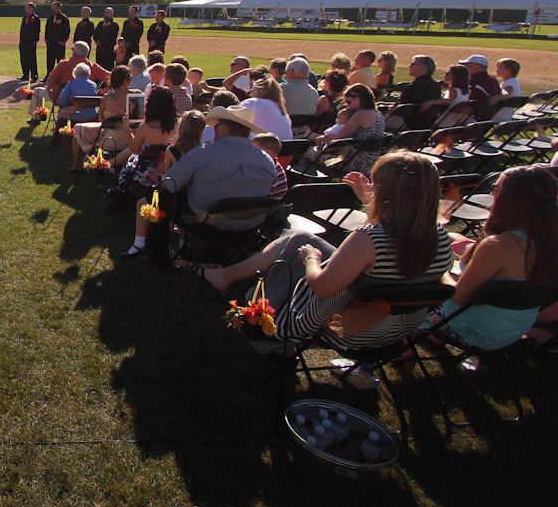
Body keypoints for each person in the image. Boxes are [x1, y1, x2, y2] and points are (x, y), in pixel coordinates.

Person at [197, 151, 453, 354]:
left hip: (355, 328)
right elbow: (386, 260)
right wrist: (367, 203)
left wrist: (312, 258)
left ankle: (263, 315)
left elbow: (322, 286)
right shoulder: (439, 234)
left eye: (377, 186)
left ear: (388, 194)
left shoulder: (369, 238)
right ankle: (226, 276)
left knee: (302, 249)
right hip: (401, 327)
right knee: (300, 237)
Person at [421, 165, 558, 351]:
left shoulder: (501, 245)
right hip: (514, 329)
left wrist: (442, 268)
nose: (492, 192)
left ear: (512, 198)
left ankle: (423, 338)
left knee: (415, 284)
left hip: (478, 331)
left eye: (496, 187)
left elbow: (457, 298)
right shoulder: (547, 238)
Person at [160, 105, 280, 229]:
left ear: (224, 127)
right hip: (251, 228)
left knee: (156, 195)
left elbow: (169, 184)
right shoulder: (267, 161)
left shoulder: (201, 154)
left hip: (209, 227)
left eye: (215, 127)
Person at [71, 66, 130, 171]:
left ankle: (77, 165)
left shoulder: (108, 98)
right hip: (131, 137)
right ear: (126, 79)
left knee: (77, 128)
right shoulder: (137, 95)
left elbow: (101, 118)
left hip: (110, 138)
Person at [45, 41, 111, 103]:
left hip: (62, 99)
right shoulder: (93, 66)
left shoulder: (63, 64)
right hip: (85, 101)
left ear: (75, 52)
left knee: (36, 91)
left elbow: (49, 83)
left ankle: (39, 114)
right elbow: (109, 76)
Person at [55, 62, 100, 128]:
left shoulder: (71, 84)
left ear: (75, 74)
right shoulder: (93, 85)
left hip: (75, 115)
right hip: (92, 115)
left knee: (61, 112)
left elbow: (62, 102)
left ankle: (60, 134)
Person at [461, 54, 501, 119]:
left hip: (475, 118)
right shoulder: (492, 79)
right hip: (488, 119)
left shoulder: (474, 81)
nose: (464, 67)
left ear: (476, 65)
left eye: (467, 64)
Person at [44, 1, 71, 77]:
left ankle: (60, 77)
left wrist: (63, 41)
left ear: (59, 8)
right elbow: (47, 29)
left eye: (54, 7)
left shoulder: (64, 19)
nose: (53, 9)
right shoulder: (50, 18)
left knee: (60, 62)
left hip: (59, 44)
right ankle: (49, 75)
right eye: (52, 7)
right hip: (51, 43)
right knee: (50, 61)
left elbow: (67, 31)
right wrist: (46, 39)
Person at [18, 2, 41, 82]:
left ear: (32, 9)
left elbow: (36, 31)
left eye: (27, 8)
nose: (26, 9)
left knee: (31, 59)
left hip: (30, 42)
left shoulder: (36, 18)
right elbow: (22, 29)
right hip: (23, 41)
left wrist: (34, 41)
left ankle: (34, 75)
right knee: (23, 58)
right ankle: (25, 74)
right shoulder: (24, 18)